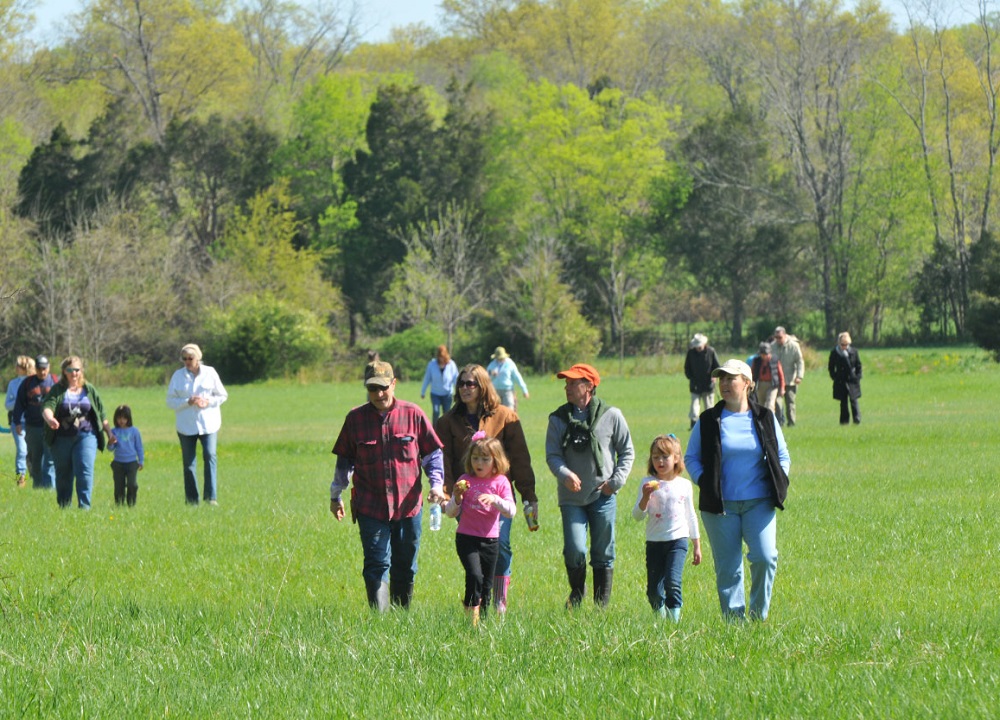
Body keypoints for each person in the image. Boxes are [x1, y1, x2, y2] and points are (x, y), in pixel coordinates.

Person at [329, 360, 445, 611]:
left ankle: (401, 615)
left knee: (405, 564)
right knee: (376, 562)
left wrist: (437, 484)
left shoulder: (413, 414)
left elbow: (432, 455)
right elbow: (345, 461)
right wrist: (335, 494)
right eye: (372, 389)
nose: (379, 394)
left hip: (408, 505)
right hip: (371, 506)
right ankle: (380, 620)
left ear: (394, 384)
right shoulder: (355, 419)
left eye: (383, 387)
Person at [685, 359, 790, 621]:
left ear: (747, 383)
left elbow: (783, 455)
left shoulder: (766, 417)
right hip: (721, 507)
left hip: (759, 503)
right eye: (721, 379)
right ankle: (734, 624)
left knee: (765, 558)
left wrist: (779, 478)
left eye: (731, 378)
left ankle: (757, 618)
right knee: (728, 569)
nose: (724, 384)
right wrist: (706, 483)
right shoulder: (708, 419)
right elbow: (691, 458)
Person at [435, 363, 537, 614]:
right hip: (467, 498)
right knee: (474, 556)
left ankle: (499, 603)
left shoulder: (506, 416)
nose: (465, 388)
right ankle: (476, 607)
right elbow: (443, 459)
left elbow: (521, 459)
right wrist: (447, 494)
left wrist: (528, 495)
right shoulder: (447, 421)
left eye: (471, 383)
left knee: (500, 546)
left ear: (483, 386)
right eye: (461, 384)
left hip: (499, 496)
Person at [546, 363, 634, 608]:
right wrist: (564, 474)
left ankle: (601, 606)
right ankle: (577, 592)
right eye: (567, 383)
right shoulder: (558, 419)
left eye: (573, 383)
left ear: (589, 386)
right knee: (574, 548)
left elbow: (627, 452)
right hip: (570, 497)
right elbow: (552, 455)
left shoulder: (611, 415)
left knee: (603, 550)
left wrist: (615, 483)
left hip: (602, 495)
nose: (568, 387)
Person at [444, 431, 517, 626]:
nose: (479, 463)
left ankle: (483, 621)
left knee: (486, 584)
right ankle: (471, 622)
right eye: (475, 458)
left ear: (496, 461)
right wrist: (457, 497)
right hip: (466, 538)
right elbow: (450, 512)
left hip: (490, 540)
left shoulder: (501, 482)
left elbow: (511, 511)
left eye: (485, 459)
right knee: (474, 575)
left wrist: (495, 500)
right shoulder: (465, 480)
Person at [632, 434, 702, 621]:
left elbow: (691, 515)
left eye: (665, 457)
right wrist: (645, 497)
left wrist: (696, 545)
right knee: (654, 591)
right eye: (656, 457)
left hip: (678, 541)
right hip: (655, 542)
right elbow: (637, 516)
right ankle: (661, 619)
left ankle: (674, 623)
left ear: (676, 458)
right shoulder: (647, 483)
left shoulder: (684, 485)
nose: (660, 461)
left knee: (673, 582)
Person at [41, 356, 112, 509]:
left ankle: (84, 508)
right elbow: (47, 406)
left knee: (85, 471)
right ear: (64, 372)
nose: (74, 373)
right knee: (63, 475)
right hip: (61, 438)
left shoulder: (89, 389)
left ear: (81, 371)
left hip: (86, 436)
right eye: (70, 370)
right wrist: (50, 419)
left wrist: (109, 433)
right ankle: (64, 507)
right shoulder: (58, 390)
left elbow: (102, 413)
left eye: (77, 370)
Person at [166, 343, 228, 505]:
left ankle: (211, 497)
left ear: (198, 358)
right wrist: (188, 401)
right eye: (184, 358)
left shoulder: (210, 373)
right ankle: (192, 500)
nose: (187, 361)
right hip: (186, 426)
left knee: (210, 455)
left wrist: (207, 402)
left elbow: (222, 395)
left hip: (208, 424)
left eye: (190, 358)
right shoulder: (177, 376)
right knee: (189, 463)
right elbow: (170, 401)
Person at [12, 355, 58, 489]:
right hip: (33, 427)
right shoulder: (27, 383)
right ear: (35, 368)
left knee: (50, 460)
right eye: (39, 369)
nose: (42, 372)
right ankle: (38, 487)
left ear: (48, 367)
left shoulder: (55, 381)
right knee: (35, 459)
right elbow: (19, 404)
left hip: (50, 427)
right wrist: (17, 422)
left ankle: (50, 489)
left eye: (44, 368)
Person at [107, 404, 144, 507]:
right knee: (119, 485)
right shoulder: (114, 431)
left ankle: (131, 504)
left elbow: (139, 447)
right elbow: (110, 449)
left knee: (132, 484)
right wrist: (110, 442)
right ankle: (119, 504)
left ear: (128, 418)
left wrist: (141, 461)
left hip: (132, 463)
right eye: (119, 418)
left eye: (124, 418)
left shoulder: (134, 431)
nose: (121, 420)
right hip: (118, 463)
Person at [5, 355, 34, 487]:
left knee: (33, 451)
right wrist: (19, 403)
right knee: (22, 450)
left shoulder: (34, 383)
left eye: (18, 365)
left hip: (34, 422)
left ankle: (36, 476)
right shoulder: (13, 384)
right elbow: (7, 404)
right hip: (17, 423)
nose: (16, 368)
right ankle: (20, 479)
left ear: (25, 368)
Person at [684, 333, 720, 430]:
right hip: (695, 385)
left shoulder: (711, 351)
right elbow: (687, 368)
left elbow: (717, 366)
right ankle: (693, 425)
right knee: (694, 406)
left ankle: (710, 425)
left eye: (699, 346)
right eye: (697, 346)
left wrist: (714, 377)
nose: (698, 348)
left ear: (704, 344)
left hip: (708, 385)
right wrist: (691, 377)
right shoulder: (690, 353)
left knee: (709, 406)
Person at [772, 326, 804, 427]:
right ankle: (779, 423)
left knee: (790, 403)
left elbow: (800, 361)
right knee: (777, 403)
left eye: (780, 337)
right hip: (776, 381)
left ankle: (791, 423)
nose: (778, 339)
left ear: (785, 335)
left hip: (791, 380)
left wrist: (799, 376)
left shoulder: (794, 346)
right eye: (776, 337)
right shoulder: (772, 346)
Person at [829, 331, 862, 425]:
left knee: (854, 400)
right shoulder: (834, 353)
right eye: (843, 344)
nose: (844, 346)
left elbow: (858, 365)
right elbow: (831, 367)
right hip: (840, 381)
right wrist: (834, 377)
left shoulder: (854, 352)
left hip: (852, 380)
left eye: (846, 344)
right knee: (843, 402)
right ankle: (844, 422)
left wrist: (857, 377)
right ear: (839, 343)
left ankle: (857, 419)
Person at [420, 344, 459, 423]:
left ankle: (446, 430)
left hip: (447, 394)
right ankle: (434, 429)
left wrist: (458, 391)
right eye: (440, 356)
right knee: (436, 411)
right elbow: (427, 378)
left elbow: (456, 379)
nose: (441, 359)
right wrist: (423, 391)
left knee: (447, 414)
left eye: (443, 356)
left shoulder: (451, 365)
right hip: (435, 393)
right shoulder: (432, 364)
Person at [751, 341, 785, 412]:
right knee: (760, 405)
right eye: (762, 354)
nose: (764, 356)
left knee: (770, 404)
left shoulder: (775, 360)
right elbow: (752, 373)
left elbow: (781, 375)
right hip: (760, 384)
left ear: (770, 353)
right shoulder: (757, 361)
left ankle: (770, 420)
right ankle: (762, 421)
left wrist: (782, 388)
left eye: (765, 354)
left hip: (772, 385)